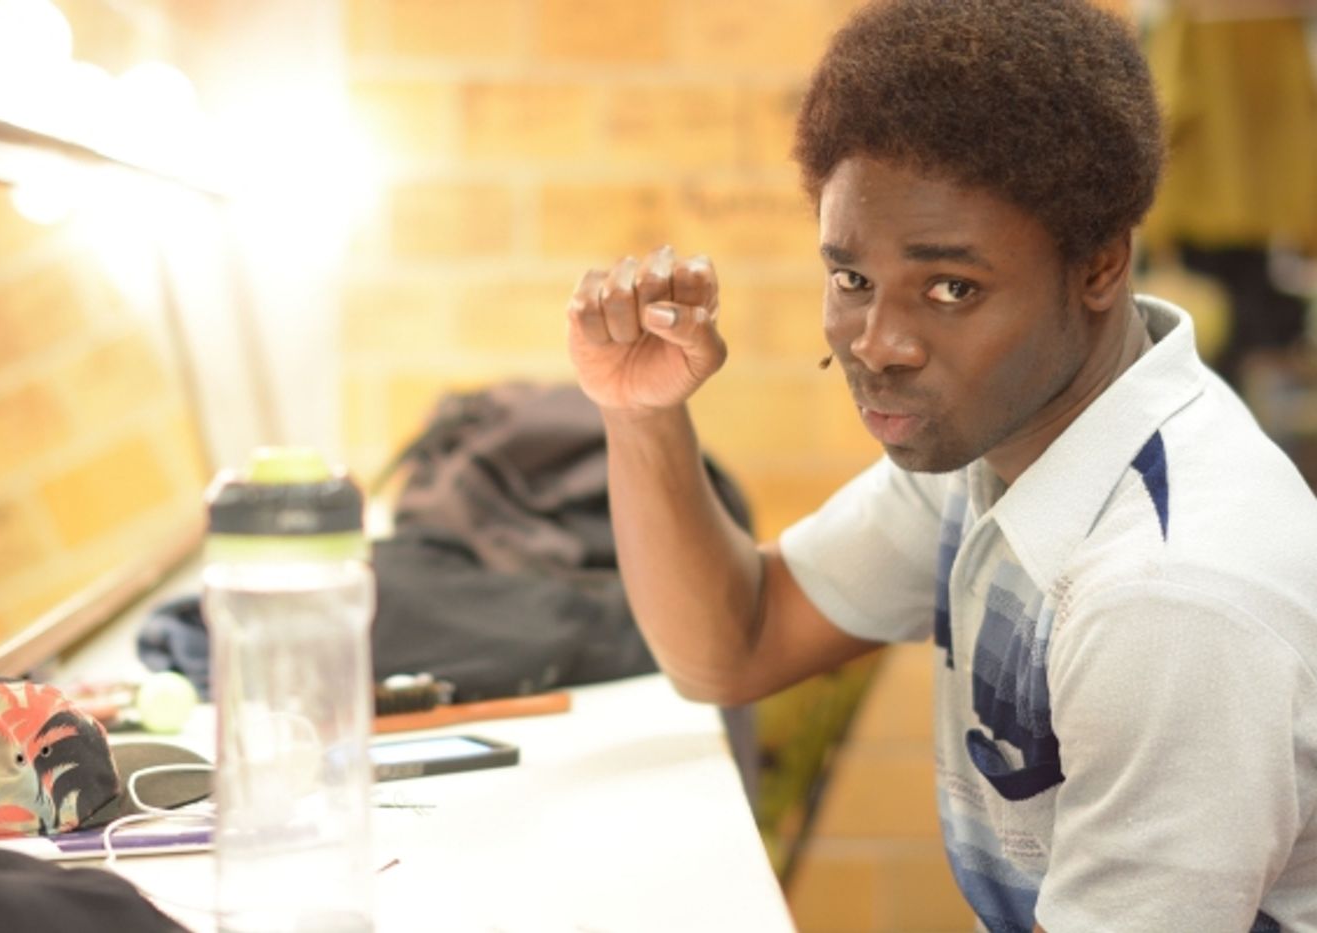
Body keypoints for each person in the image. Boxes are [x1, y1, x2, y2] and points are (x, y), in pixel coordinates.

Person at [562, 1, 1317, 931]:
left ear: (1099, 267)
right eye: (851, 280)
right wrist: (640, 414)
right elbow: (736, 640)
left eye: (951, 288)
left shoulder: (1167, 596)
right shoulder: (1007, 444)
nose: (876, 344)